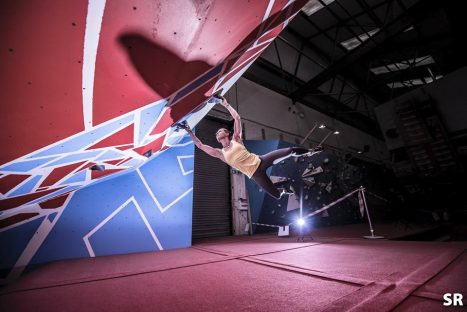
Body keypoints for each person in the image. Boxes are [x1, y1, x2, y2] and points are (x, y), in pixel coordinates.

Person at [179, 95, 323, 199]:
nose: (218, 132)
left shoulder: (236, 139)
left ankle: (310, 152)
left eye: (221, 130)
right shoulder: (220, 153)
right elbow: (199, 145)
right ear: (217, 139)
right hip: (255, 174)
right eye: (217, 133)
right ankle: (284, 191)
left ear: (227, 133)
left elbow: (237, 118)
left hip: (261, 160)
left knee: (290, 151)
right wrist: (188, 130)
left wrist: (225, 103)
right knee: (277, 196)